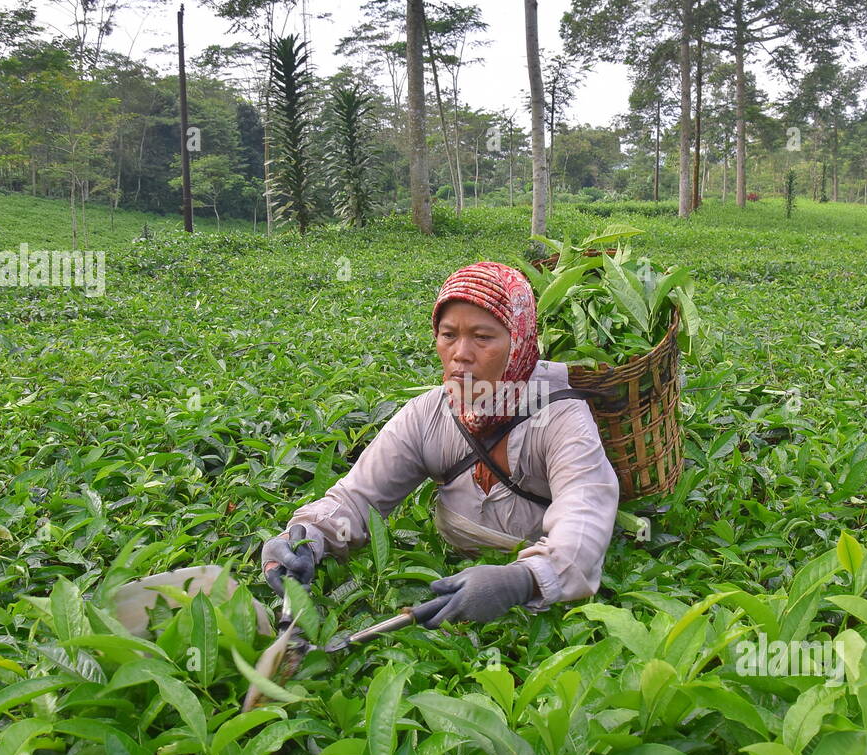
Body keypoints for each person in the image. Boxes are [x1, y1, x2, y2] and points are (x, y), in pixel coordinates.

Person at [261, 260, 620, 630]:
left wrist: (525, 579)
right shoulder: (428, 413)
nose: (460, 353)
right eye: (448, 335)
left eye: (483, 337)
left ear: (520, 342)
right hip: (451, 574)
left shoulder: (560, 414)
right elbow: (358, 498)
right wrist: (305, 538)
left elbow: (585, 512)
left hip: (540, 609)